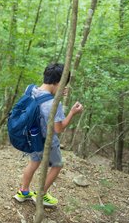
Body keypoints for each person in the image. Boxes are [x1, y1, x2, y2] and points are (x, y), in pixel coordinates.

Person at [13, 63, 83, 206]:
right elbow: (58, 128)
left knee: (33, 163)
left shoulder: (30, 89)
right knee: (57, 165)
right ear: (59, 82)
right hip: (46, 140)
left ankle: (23, 192)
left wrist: (55, 93)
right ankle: (41, 195)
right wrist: (72, 113)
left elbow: (40, 103)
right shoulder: (53, 104)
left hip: (32, 137)